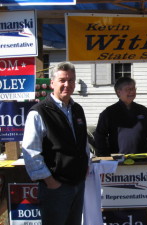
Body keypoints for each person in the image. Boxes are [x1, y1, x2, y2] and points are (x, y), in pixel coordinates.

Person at [22, 62, 90, 225]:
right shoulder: (39, 112)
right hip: (56, 187)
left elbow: (83, 143)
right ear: (52, 83)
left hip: (78, 184)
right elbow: (30, 151)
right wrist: (50, 181)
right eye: (62, 80)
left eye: (71, 80)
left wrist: (86, 166)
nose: (67, 84)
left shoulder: (77, 109)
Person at [94, 77, 147, 156]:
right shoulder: (109, 112)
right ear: (119, 92)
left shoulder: (143, 111)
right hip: (117, 161)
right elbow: (100, 136)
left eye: (133, 88)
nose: (132, 92)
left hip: (142, 159)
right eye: (128, 89)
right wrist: (106, 156)